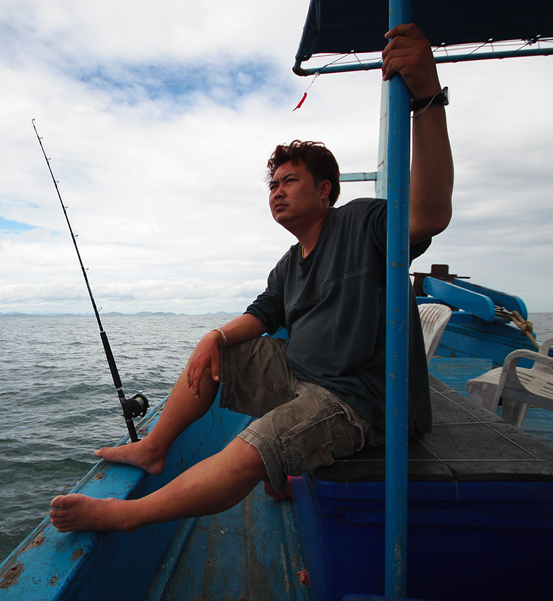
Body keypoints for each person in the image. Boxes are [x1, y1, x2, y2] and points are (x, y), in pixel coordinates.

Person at [49, 23, 453, 533]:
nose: (277, 192)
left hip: (358, 401)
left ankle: (127, 516)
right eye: (273, 185)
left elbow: (430, 214)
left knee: (252, 448)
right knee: (223, 357)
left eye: (290, 181)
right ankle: (154, 448)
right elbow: (262, 316)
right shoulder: (289, 261)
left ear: (326, 190)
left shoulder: (363, 222)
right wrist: (212, 337)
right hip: (303, 374)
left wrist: (427, 99)